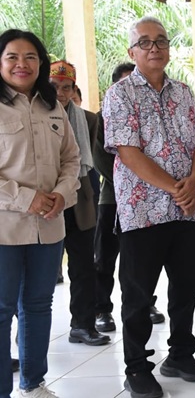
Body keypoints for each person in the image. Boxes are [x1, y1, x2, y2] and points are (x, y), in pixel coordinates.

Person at [103, 16, 195, 398]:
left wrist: (194, 183)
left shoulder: (183, 91)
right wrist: (174, 187)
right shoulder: (119, 94)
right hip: (142, 211)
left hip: (185, 210)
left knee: (189, 281)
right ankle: (137, 367)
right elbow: (128, 153)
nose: (154, 48)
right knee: (138, 293)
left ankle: (180, 354)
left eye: (161, 41)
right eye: (145, 43)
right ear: (131, 51)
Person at [0, 29, 80, 398]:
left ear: (41, 63)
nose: (22, 64)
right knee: (1, 311)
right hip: (5, 229)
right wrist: (25, 199)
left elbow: (71, 159)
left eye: (30, 57)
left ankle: (33, 383)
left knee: (38, 305)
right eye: (12, 57)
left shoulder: (53, 107)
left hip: (49, 227)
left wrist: (63, 195)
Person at [93, 62, 165, 333]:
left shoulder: (155, 113)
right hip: (113, 198)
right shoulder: (104, 116)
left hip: (150, 198)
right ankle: (101, 309)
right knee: (105, 256)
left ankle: (146, 302)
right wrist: (131, 180)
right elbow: (101, 158)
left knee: (144, 257)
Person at [48, 61, 109, 348]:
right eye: (54, 87)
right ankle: (27, 332)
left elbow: (92, 162)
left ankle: (83, 325)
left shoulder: (88, 120)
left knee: (84, 266)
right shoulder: (34, 116)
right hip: (46, 203)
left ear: (74, 90)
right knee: (40, 272)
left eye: (66, 87)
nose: (60, 93)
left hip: (80, 200)